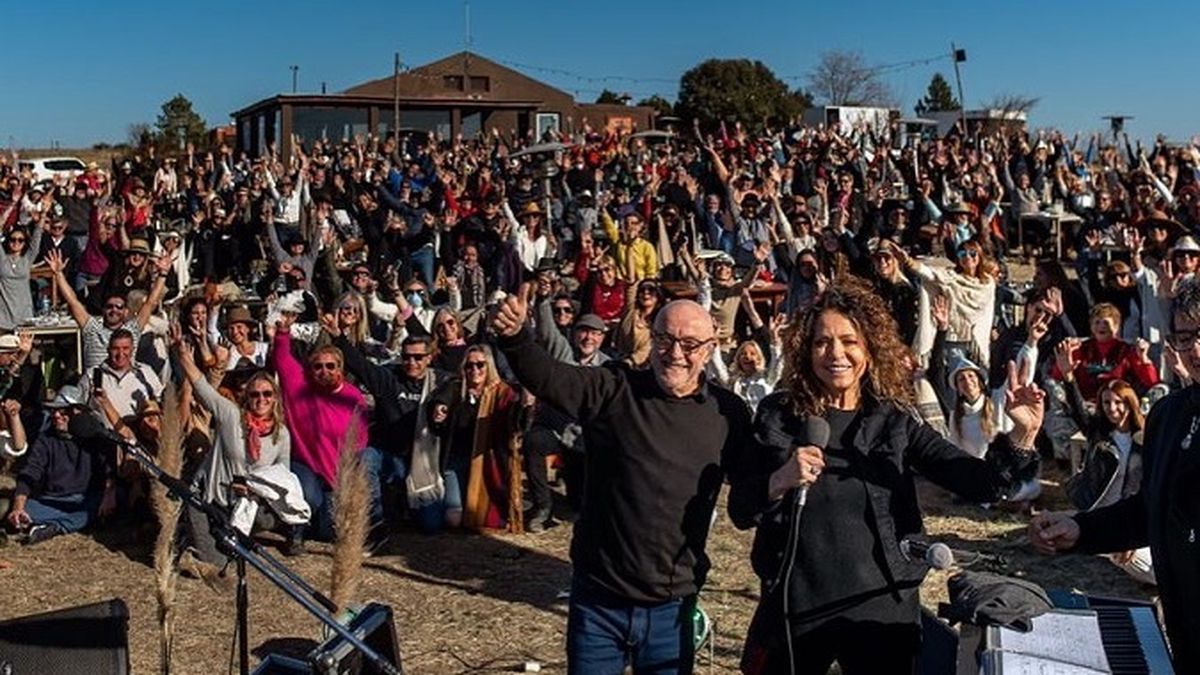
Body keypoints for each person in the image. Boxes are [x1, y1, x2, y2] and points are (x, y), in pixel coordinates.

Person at [728, 279, 1044, 674]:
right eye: (822, 342)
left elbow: (982, 482)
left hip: (880, 603)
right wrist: (780, 479)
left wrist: (1020, 436)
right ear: (806, 351)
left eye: (849, 341)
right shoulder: (779, 415)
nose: (835, 353)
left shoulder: (892, 421)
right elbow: (741, 508)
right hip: (796, 601)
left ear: (870, 350)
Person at [492, 290, 754, 674]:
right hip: (599, 599)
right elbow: (550, 377)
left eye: (690, 344)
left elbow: (750, 492)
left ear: (710, 347)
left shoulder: (727, 413)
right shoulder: (614, 388)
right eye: (665, 339)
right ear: (651, 337)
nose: (675, 353)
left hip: (672, 605)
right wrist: (516, 337)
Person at [1030, 278, 1200, 673]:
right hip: (1184, 631)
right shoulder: (1168, 415)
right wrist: (1082, 530)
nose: (1195, 349)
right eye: (1185, 336)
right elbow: (1150, 509)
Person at [173, 327, 310, 564]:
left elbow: (283, 477)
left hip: (246, 502)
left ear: (275, 398)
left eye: (267, 394)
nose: (261, 400)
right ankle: (188, 534)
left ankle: (229, 533)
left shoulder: (281, 434)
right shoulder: (230, 416)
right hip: (211, 498)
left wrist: (256, 489)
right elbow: (202, 388)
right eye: (255, 395)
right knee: (217, 562)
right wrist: (183, 354)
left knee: (265, 523)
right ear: (246, 398)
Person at [4, 386, 115, 545]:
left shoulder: (95, 435)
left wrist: (109, 494)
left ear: (78, 413)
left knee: (117, 497)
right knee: (25, 511)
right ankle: (65, 524)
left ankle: (56, 526)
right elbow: (30, 472)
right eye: (54, 411)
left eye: (63, 411)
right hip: (53, 499)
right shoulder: (46, 439)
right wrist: (18, 507)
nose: (56, 415)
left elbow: (108, 469)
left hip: (87, 497)